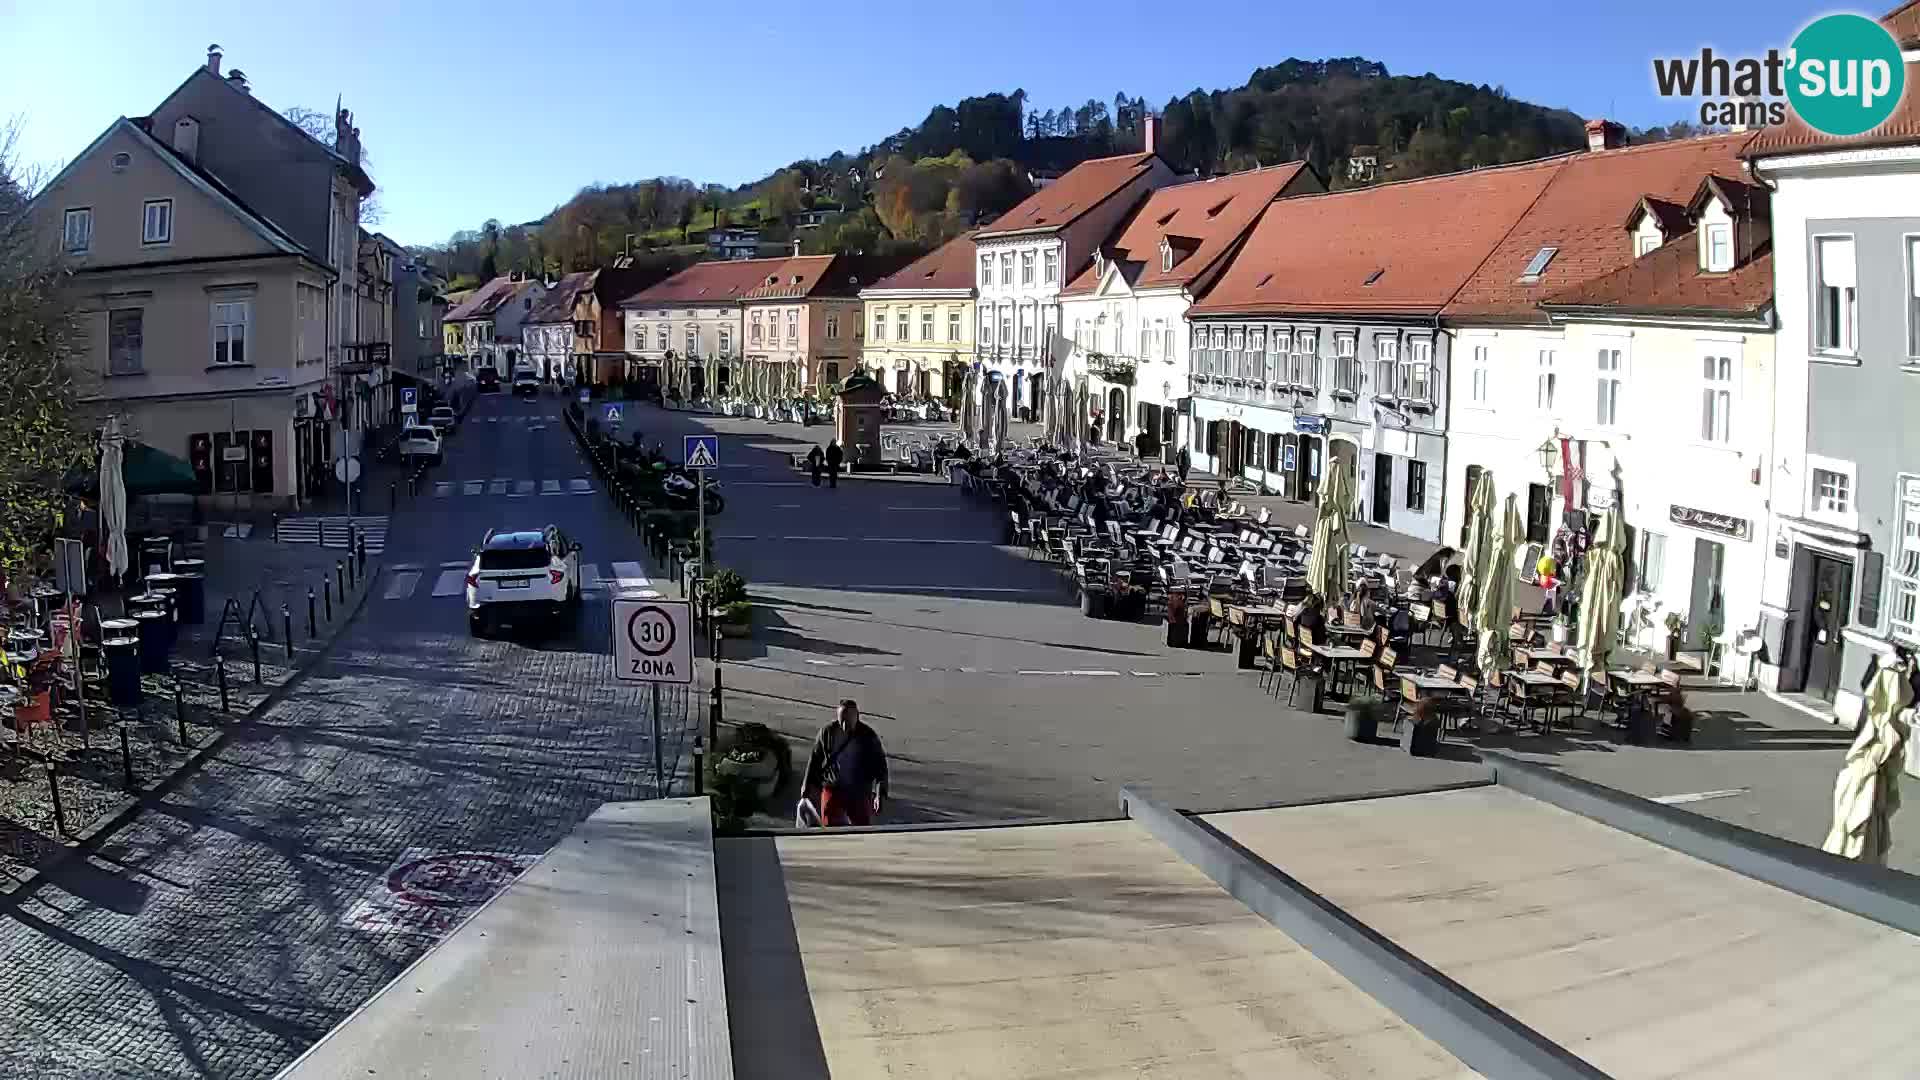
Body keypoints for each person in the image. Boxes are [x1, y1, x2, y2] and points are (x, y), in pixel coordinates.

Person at [801, 699, 889, 827]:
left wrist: (880, 793)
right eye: (841, 721)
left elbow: (880, 766)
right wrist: (806, 784)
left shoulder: (868, 736)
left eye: (848, 721)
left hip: (858, 790)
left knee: (862, 828)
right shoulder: (827, 733)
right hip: (833, 786)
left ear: (857, 717)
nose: (844, 726)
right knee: (829, 826)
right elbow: (815, 758)